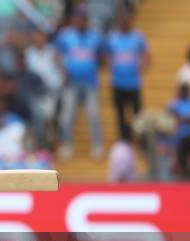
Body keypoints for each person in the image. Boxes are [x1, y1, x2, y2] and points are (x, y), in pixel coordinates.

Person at [56, 7, 104, 159]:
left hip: (90, 83)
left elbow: (102, 56)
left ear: (87, 21)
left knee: (94, 115)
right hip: (71, 83)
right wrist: (63, 70)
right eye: (77, 19)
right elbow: (57, 55)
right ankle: (66, 145)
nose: (80, 22)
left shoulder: (95, 37)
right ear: (74, 20)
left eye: (83, 19)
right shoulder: (66, 36)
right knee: (67, 116)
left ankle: (97, 146)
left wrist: (95, 68)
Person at [105, 10, 149, 139]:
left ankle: (140, 138)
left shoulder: (138, 37)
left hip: (133, 83)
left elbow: (146, 54)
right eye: (122, 19)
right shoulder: (112, 37)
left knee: (137, 113)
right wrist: (111, 67)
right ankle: (123, 139)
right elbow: (107, 55)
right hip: (118, 83)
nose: (124, 22)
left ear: (130, 20)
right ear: (118, 21)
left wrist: (142, 67)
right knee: (120, 114)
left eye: (127, 19)